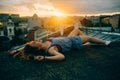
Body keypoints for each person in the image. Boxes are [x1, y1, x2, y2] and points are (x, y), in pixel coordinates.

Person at [9, 28, 111, 61]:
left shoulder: (44, 42)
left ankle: (84, 42)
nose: (36, 40)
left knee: (76, 29)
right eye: (35, 42)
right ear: (38, 48)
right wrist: (45, 58)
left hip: (68, 39)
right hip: (73, 42)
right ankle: (104, 42)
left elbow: (27, 47)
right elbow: (61, 57)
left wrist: (17, 50)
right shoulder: (50, 49)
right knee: (89, 37)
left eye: (34, 41)